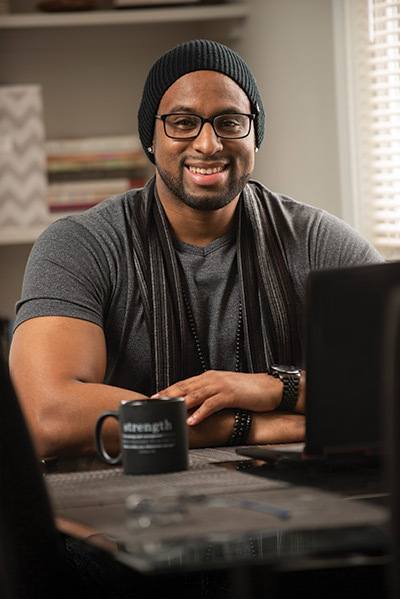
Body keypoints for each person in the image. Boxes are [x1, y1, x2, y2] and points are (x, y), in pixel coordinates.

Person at [9, 39, 382, 461]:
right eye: (183, 122)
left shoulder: (315, 240)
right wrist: (249, 425)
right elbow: (46, 419)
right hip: (124, 509)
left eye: (229, 121)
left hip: (294, 505)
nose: (208, 144)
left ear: (255, 135)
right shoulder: (81, 246)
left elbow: (389, 381)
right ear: (150, 137)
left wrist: (273, 387)